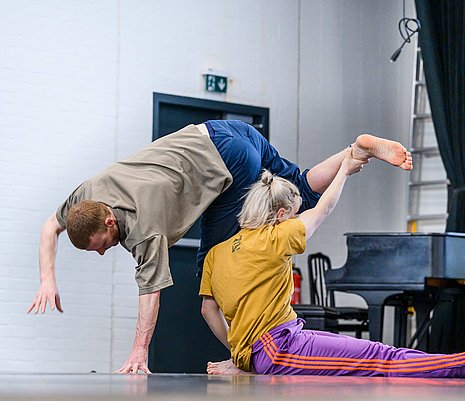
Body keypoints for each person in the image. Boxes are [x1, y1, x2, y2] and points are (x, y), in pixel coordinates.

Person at [27, 119, 413, 374]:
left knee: (210, 288)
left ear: (110, 220)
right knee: (300, 184)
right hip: (226, 130)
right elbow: (49, 227)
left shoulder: (144, 227)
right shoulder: (84, 197)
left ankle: (242, 361)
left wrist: (139, 351)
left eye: (103, 244)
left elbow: (151, 295)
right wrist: (47, 278)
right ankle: (356, 151)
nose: (102, 252)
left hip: (227, 163)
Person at [199, 153, 465, 378]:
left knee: (379, 355)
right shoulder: (275, 235)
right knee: (379, 359)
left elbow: (208, 311)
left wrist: (241, 354)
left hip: (280, 341)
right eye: (292, 214)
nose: (295, 219)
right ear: (280, 215)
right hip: (280, 347)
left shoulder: (216, 254)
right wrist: (343, 169)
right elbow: (322, 210)